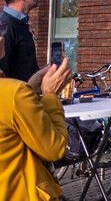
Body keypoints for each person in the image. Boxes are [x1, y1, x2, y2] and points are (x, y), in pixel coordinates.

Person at [0, 31, 72, 201]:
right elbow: (54, 148)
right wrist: (50, 95)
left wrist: (29, 89)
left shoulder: (14, 93)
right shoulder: (13, 93)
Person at [0, 0, 40, 81]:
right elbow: (2, 75)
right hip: (13, 97)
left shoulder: (20, 24)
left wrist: (44, 71)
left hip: (25, 95)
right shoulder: (4, 26)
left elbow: (22, 68)